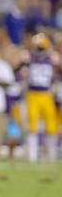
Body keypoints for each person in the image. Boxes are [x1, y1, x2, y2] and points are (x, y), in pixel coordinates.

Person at [25, 33, 57, 162]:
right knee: (32, 125)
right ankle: (32, 156)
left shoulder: (53, 59)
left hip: (46, 94)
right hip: (33, 94)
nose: (39, 50)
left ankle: (52, 155)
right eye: (38, 47)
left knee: (51, 125)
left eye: (41, 47)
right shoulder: (28, 59)